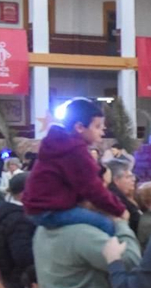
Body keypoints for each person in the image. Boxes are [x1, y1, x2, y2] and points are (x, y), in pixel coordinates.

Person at [21, 98, 127, 233]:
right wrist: (120, 210)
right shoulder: (74, 150)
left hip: (39, 208)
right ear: (79, 127)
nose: (103, 131)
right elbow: (92, 188)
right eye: (97, 126)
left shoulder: (62, 144)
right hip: (49, 210)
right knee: (106, 224)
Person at [0, 172, 37, 288]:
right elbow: (23, 255)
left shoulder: (5, 213)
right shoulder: (20, 219)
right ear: (24, 193)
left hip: (8, 280)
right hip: (20, 283)